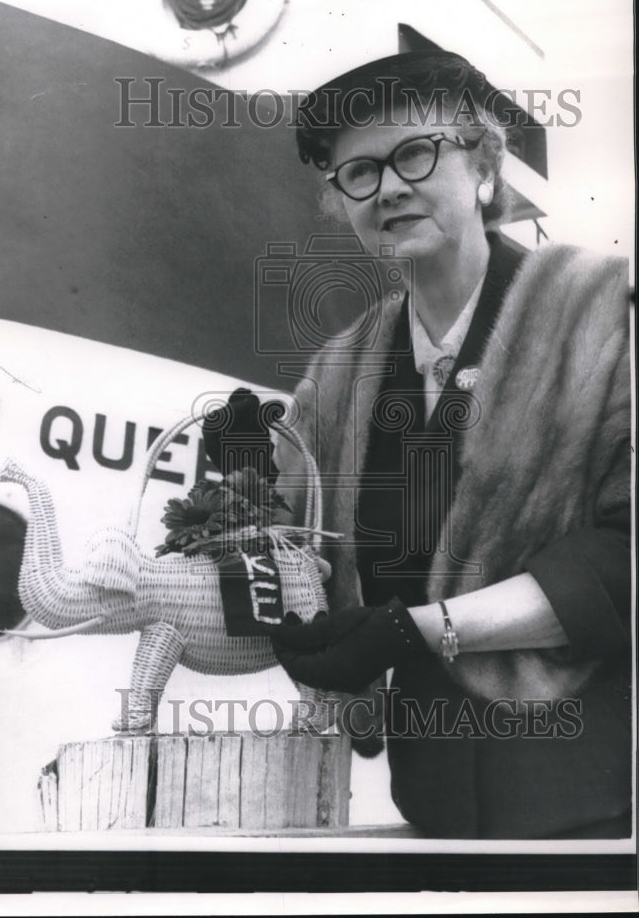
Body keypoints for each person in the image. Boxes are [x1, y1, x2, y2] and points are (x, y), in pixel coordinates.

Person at [263, 50, 632, 839]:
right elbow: (289, 542)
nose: (388, 187)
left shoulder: (606, 314)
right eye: (356, 173)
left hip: (602, 802)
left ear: (484, 165)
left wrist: (417, 630)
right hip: (429, 805)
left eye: (414, 154)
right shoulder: (336, 373)